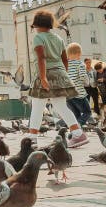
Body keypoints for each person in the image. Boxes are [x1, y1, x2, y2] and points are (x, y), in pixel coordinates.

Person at [28, 11, 88, 147]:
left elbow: (41, 58)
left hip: (45, 73)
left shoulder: (38, 38)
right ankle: (78, 134)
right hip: (60, 74)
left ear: (37, 25)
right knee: (61, 106)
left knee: (37, 107)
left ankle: (32, 139)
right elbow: (64, 59)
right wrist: (63, 75)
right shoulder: (58, 39)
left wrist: (43, 77)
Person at [65, 43, 93, 126]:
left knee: (76, 114)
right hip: (79, 94)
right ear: (79, 54)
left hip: (68, 95)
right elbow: (83, 76)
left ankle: (75, 132)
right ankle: (78, 127)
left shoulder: (65, 64)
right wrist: (87, 83)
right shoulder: (80, 64)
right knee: (87, 112)